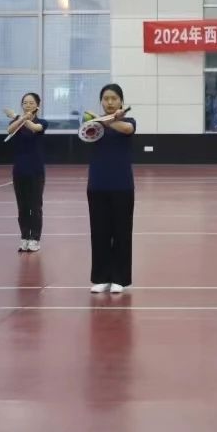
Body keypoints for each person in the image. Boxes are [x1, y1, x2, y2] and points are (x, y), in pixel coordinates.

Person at [87, 84, 137, 294]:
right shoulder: (93, 124)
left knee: (122, 233)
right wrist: (98, 121)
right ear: (101, 101)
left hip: (122, 186)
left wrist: (107, 120)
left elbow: (127, 130)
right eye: (106, 98)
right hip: (97, 184)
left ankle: (120, 279)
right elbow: (86, 134)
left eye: (114, 98)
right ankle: (101, 278)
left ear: (121, 102)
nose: (109, 102)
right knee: (99, 233)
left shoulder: (128, 121)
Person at [4, 93, 47, 252]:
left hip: (36, 170)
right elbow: (9, 130)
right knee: (22, 207)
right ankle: (24, 237)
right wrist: (19, 119)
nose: (28, 105)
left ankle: (35, 239)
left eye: (31, 103)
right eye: (25, 103)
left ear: (37, 105)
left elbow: (34, 128)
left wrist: (17, 116)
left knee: (35, 207)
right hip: (19, 170)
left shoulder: (42, 122)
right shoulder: (16, 123)